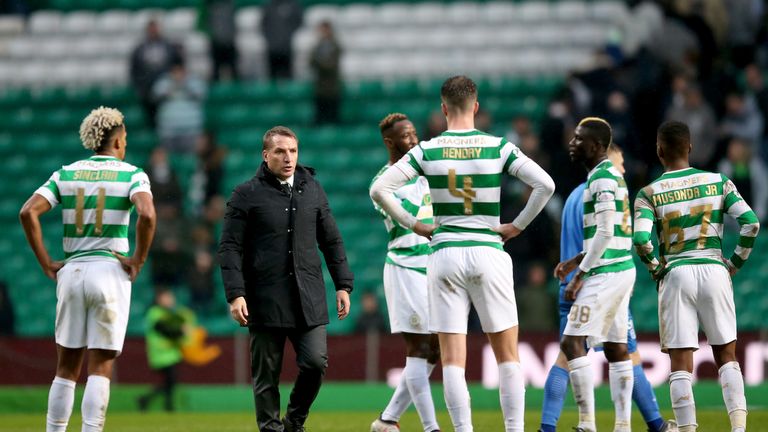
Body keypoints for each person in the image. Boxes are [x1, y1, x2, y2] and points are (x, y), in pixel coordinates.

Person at [371, 75, 555, 432]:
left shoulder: (428, 149)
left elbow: (380, 189)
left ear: (443, 109)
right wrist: (516, 225)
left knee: (453, 361)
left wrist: (415, 224)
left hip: (444, 255)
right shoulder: (497, 146)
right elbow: (545, 184)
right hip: (488, 249)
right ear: (476, 106)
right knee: (507, 355)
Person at [19, 107, 156, 432]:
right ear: (119, 141)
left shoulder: (66, 172)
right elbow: (147, 215)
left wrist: (45, 262)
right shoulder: (132, 173)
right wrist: (138, 258)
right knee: (100, 366)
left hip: (72, 272)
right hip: (109, 272)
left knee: (65, 368)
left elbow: (27, 212)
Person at [218, 126, 353, 432]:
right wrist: (235, 294)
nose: (288, 157)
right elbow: (229, 247)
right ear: (266, 156)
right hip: (265, 298)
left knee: (316, 363)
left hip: (309, 296)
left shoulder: (313, 189)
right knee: (266, 375)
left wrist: (343, 284)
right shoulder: (245, 194)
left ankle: (294, 422)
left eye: (292, 151)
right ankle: (270, 429)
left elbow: (331, 240)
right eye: (280, 151)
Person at [539, 144, 677, 432]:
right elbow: (602, 242)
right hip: (598, 283)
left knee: (567, 355)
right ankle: (653, 424)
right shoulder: (603, 195)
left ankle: (548, 426)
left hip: (574, 284)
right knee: (624, 352)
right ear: (608, 155)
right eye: (621, 160)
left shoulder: (575, 197)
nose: (623, 168)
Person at [633, 121, 760, 432]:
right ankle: (739, 428)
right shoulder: (718, 182)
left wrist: (654, 266)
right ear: (689, 147)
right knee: (726, 355)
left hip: (676, 273)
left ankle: (688, 429)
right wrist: (735, 263)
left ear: (660, 151)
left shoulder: (649, 193)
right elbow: (751, 223)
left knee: (680, 363)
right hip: (714, 269)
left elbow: (639, 238)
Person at [554, 118, 635, 432]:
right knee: (616, 347)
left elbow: (604, 232)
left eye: (579, 139)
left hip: (606, 274)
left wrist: (579, 276)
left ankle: (587, 423)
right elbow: (607, 234)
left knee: (571, 342)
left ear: (597, 146)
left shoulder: (601, 178)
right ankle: (623, 425)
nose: (573, 143)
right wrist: (575, 260)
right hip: (619, 267)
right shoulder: (608, 176)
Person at [369, 113, 441, 432]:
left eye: (414, 133)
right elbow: (410, 220)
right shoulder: (383, 182)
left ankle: (387, 420)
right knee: (419, 347)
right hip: (406, 267)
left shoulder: (425, 175)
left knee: (435, 348)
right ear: (390, 142)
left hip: (431, 266)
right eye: (406, 135)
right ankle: (430, 427)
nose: (414, 139)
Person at [137, 289, 191, 412]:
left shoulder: (170, 313)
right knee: (170, 381)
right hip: (161, 354)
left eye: (171, 298)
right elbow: (164, 329)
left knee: (170, 382)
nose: (170, 300)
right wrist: (180, 331)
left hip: (171, 354)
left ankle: (151, 401)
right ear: (159, 299)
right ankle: (162, 404)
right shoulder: (155, 313)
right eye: (167, 298)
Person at [129, 20, 181, 128]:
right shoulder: (140, 49)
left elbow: (177, 64)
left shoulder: (169, 46)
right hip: (146, 88)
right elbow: (134, 69)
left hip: (166, 86)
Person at [151, 62, 207, 153]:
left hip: (191, 129)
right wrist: (172, 85)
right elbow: (155, 96)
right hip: (168, 130)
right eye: (175, 71)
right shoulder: (164, 82)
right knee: (169, 160)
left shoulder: (194, 81)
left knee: (191, 159)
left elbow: (201, 94)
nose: (178, 74)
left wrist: (184, 83)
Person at [309, 21, 342, 125]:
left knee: (333, 115)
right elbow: (311, 62)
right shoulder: (317, 47)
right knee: (320, 115)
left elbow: (330, 65)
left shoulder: (335, 46)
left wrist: (320, 63)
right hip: (320, 87)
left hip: (332, 87)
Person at [261, 0, 303, 80]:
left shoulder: (293, 5)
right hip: (272, 48)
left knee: (287, 75)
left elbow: (299, 22)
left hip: (287, 47)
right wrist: (270, 39)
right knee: (272, 76)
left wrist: (289, 36)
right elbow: (264, 25)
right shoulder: (269, 6)